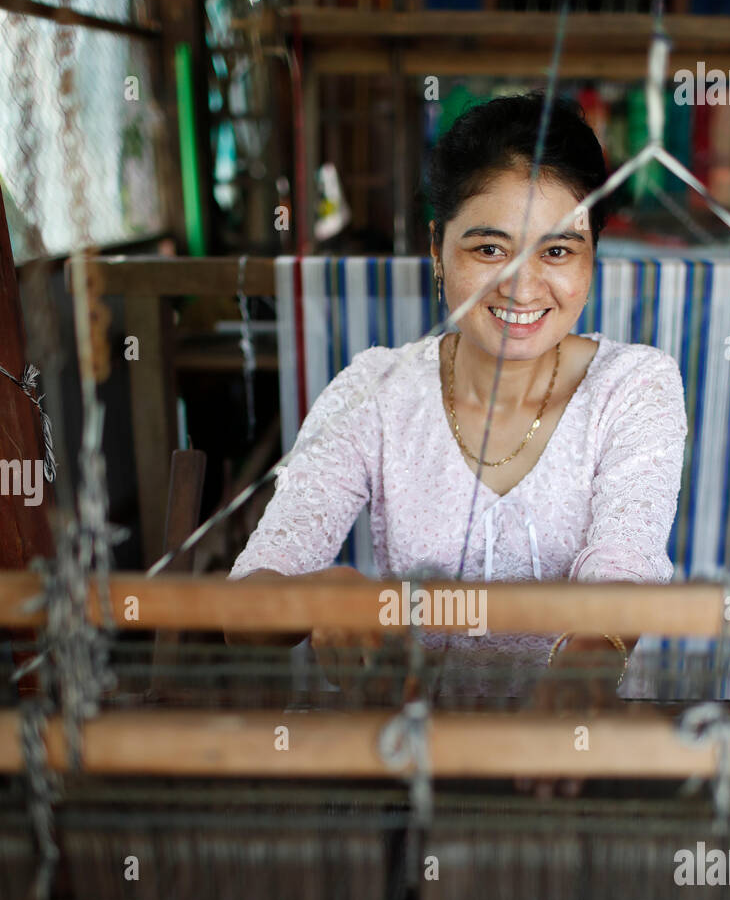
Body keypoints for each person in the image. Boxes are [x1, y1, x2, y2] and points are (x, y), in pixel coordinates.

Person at [226, 93, 687, 701]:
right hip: (410, 753)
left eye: (557, 250)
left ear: (593, 257)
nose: (521, 287)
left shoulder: (634, 387)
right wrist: (323, 593)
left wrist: (583, 670)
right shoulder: (376, 391)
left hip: (570, 749)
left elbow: (621, 569)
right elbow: (243, 610)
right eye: (488, 248)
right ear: (437, 248)